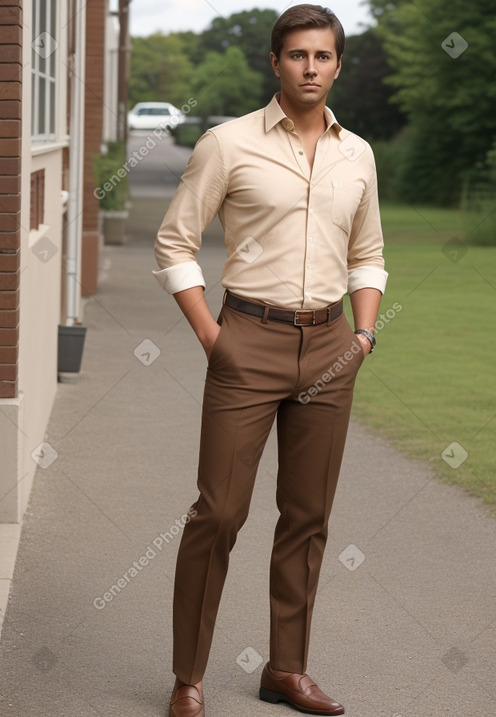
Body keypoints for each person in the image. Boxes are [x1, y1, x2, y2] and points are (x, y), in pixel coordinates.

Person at [153, 5, 388, 715]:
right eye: (296, 55)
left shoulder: (360, 154)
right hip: (245, 342)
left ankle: (286, 669)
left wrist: (363, 336)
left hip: (330, 345)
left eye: (322, 56)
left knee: (308, 515)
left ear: (338, 64)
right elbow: (175, 241)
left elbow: (368, 252)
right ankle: (188, 677)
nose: (309, 67)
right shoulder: (227, 145)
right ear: (276, 63)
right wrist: (211, 336)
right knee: (218, 512)